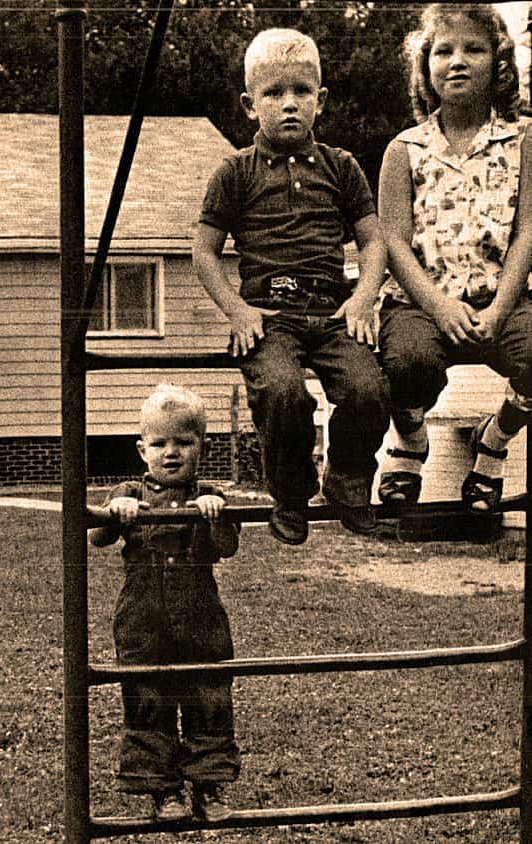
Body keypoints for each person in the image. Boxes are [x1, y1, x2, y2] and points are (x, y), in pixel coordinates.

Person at [193, 28, 390, 546]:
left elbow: (374, 243)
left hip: (330, 312)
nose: (289, 105)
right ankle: (291, 490)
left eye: (302, 92)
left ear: (320, 101)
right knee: (284, 394)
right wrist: (236, 310)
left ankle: (347, 478)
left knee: (369, 388)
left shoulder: (341, 167)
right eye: (273, 93)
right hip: (266, 314)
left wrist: (363, 298)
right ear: (248, 104)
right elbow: (204, 252)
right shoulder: (234, 172)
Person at [376, 4, 532, 514]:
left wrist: (499, 308)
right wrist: (440, 307)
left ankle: (493, 444)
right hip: (421, 301)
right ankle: (409, 441)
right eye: (443, 51)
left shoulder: (523, 142)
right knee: (405, 362)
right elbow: (394, 241)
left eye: (473, 49)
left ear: (500, 63)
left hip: (498, 294)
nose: (457, 61)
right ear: (425, 66)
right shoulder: (405, 148)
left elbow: (527, 229)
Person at [89, 385, 240, 823]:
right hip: (142, 620)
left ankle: (209, 786)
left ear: (202, 447)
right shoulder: (128, 492)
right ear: (142, 449)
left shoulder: (209, 494)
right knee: (147, 697)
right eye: (159, 444)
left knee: (207, 697)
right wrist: (114, 512)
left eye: (183, 442)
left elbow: (227, 547)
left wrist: (213, 512)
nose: (171, 452)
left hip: (200, 619)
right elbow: (95, 537)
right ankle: (163, 791)